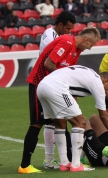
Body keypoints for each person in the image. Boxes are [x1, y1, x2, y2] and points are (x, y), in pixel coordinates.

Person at [18, 27, 101, 174]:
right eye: (91, 45)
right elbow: (49, 63)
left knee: (59, 121)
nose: (90, 48)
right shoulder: (66, 41)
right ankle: (24, 165)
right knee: (37, 123)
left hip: (55, 88)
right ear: (86, 40)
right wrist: (59, 84)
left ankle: (64, 162)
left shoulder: (77, 51)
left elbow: (68, 76)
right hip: (40, 83)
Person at [37, 65, 108, 171]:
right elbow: (104, 115)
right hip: (56, 88)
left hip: (42, 86)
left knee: (60, 123)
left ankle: (64, 163)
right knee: (80, 122)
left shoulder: (89, 72)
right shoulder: (98, 83)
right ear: (106, 80)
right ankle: (76, 165)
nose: (106, 91)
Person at [39, 11, 75, 168]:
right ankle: (52, 160)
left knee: (54, 121)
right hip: (47, 81)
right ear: (60, 25)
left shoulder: (57, 36)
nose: (69, 32)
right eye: (67, 29)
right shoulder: (50, 36)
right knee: (53, 121)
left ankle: (52, 160)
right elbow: (52, 60)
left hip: (52, 81)